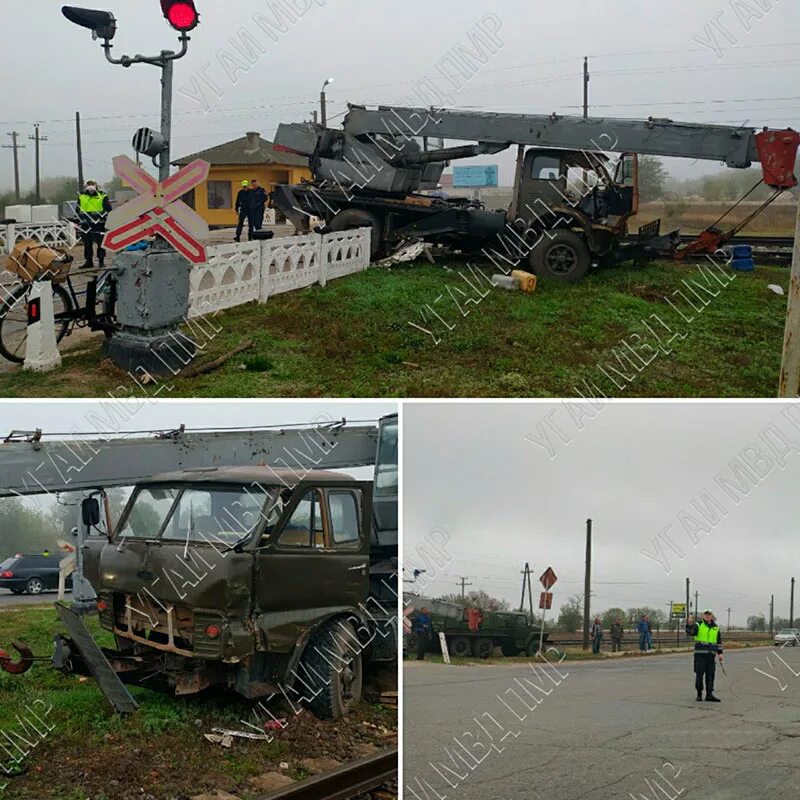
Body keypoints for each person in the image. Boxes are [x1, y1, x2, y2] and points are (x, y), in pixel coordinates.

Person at [686, 610, 723, 702]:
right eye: (706, 614)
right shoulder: (698, 625)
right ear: (703, 616)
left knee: (710, 675)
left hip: (711, 655)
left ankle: (709, 695)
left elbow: (718, 642)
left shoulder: (715, 628)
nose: (707, 616)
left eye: (709, 614)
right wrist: (689, 624)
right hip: (700, 655)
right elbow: (691, 632)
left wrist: (720, 653)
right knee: (699, 675)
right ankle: (699, 694)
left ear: (711, 616)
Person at [76, 180, 112, 269]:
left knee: (101, 244)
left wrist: (98, 216)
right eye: (89, 184)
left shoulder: (102, 195)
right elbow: (78, 209)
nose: (90, 186)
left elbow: (108, 209)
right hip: (86, 225)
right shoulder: (82, 196)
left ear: (96, 185)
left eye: (92, 184)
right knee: (87, 244)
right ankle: (89, 262)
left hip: (99, 224)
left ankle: (101, 261)